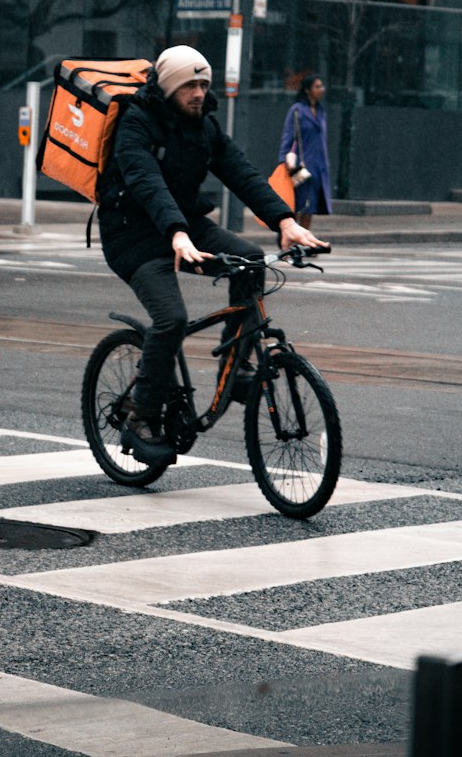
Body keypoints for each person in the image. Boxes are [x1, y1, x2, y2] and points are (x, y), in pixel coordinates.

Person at [97, 45, 328, 465]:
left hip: (184, 224)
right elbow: (147, 182)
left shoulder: (204, 126)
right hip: (134, 235)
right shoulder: (137, 124)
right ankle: (142, 415)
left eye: (204, 84)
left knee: (251, 261)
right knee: (172, 319)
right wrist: (177, 232)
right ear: (169, 87)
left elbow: (241, 172)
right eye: (190, 85)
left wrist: (285, 222)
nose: (200, 93)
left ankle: (238, 368)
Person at [278, 73, 331, 229]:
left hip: (318, 166)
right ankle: (289, 241)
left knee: (311, 206)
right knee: (296, 204)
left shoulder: (321, 111)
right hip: (300, 165)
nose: (321, 89)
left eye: (321, 86)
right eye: (317, 86)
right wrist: (284, 161)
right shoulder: (297, 110)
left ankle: (304, 240)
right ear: (307, 90)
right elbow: (288, 136)